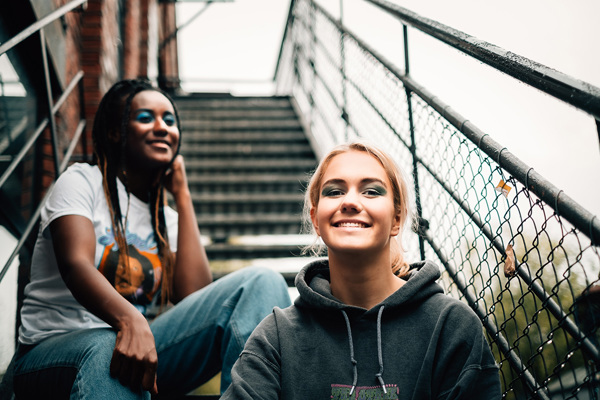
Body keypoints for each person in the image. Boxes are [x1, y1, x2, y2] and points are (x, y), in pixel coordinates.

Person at [12, 79, 291, 399]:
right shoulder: (81, 181)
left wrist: (183, 198)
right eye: (145, 117)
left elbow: (196, 297)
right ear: (116, 131)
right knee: (108, 345)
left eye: (169, 120)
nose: (162, 127)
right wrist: (129, 320)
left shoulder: (167, 219)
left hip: (138, 356)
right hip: (51, 356)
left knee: (260, 282)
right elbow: (75, 263)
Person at [222, 141, 501, 399]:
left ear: (397, 218)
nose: (350, 202)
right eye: (334, 191)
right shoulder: (276, 336)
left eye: (371, 191)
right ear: (315, 220)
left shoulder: (450, 327)